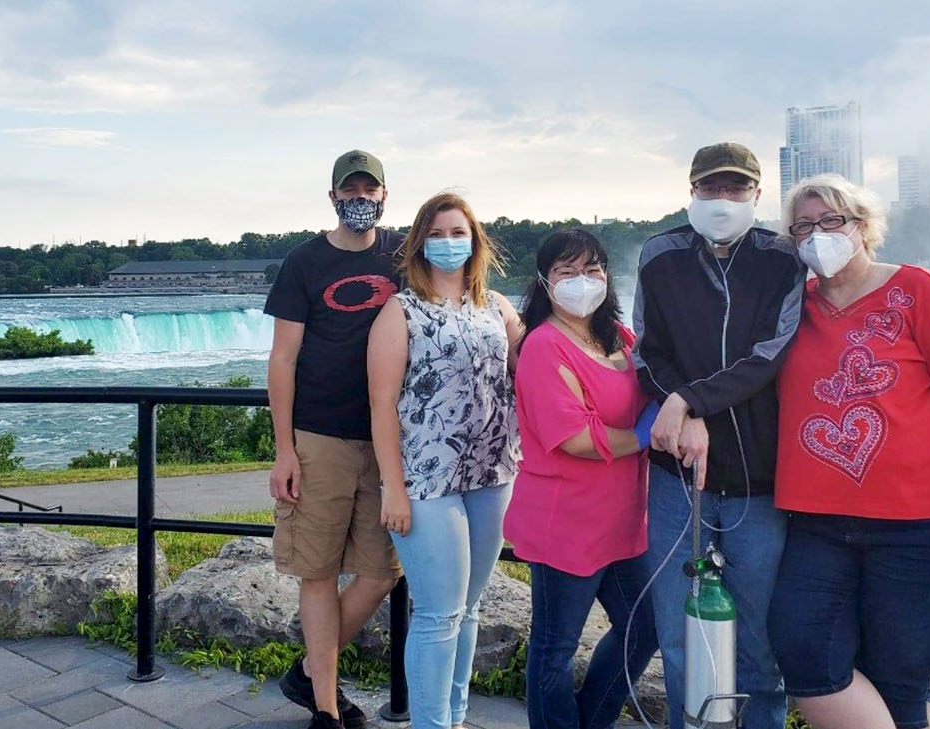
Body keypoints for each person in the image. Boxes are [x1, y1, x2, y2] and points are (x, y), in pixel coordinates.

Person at [767, 174, 930, 729]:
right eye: (803, 226)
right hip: (817, 523)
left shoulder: (920, 290)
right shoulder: (789, 308)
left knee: (900, 675)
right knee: (804, 651)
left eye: (832, 221)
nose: (817, 235)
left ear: (864, 225)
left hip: (923, 528)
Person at [632, 142, 806, 729]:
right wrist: (688, 411)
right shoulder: (661, 255)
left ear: (757, 194)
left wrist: (688, 399)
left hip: (758, 483)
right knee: (681, 636)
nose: (723, 199)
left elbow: (769, 355)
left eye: (736, 189)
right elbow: (647, 352)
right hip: (677, 477)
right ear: (691, 191)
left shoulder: (784, 260)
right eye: (711, 188)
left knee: (758, 642)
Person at [367, 192, 522, 729]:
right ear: (418, 243)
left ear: (476, 242)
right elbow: (383, 405)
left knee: (470, 608)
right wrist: (393, 488)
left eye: (459, 233)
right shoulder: (400, 311)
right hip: (427, 480)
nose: (449, 243)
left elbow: (539, 367)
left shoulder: (498, 308)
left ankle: (455, 718)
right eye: (438, 233)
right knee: (438, 614)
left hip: (493, 473)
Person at [266, 150, 405, 729]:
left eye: (370, 190)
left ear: (384, 196)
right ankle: (326, 707)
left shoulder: (403, 255)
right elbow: (283, 357)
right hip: (318, 435)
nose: (361, 199)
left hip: (387, 440)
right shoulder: (305, 261)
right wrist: (284, 449)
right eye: (350, 190)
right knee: (317, 571)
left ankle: (306, 670)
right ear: (332, 197)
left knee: (380, 573)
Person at [504, 228, 660, 729]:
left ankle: (592, 719)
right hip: (565, 524)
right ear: (545, 283)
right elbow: (575, 438)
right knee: (555, 648)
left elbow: (657, 385)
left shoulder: (623, 338)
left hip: (622, 522)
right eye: (566, 272)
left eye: (592, 269)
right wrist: (642, 435)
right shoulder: (544, 346)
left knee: (644, 627)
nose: (581, 281)